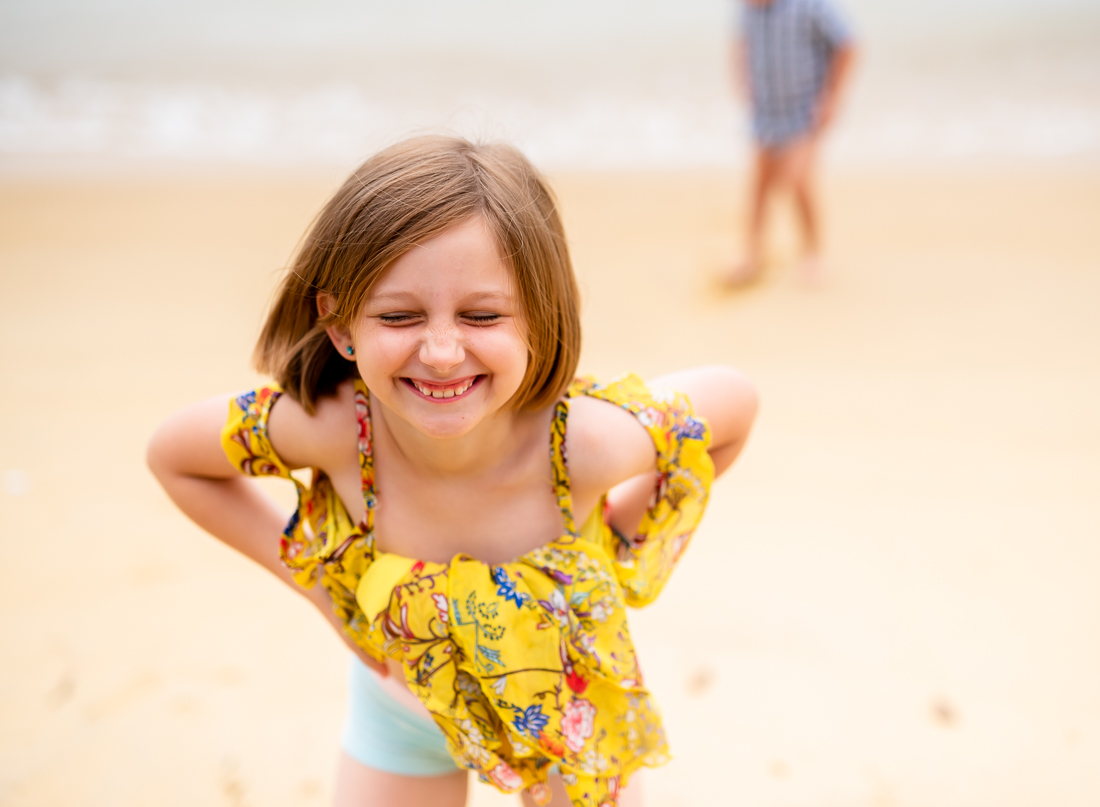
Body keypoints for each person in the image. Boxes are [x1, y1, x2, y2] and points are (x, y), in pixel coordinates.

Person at [147, 135, 758, 807]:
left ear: (539, 317)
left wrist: (617, 543)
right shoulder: (337, 431)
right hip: (399, 714)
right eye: (399, 315)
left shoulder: (584, 445)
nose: (441, 352)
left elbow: (732, 404)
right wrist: (321, 590)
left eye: (483, 314)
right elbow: (176, 457)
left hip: (566, 715)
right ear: (341, 323)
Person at [725, 0, 857, 286]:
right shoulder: (747, 9)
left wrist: (832, 98)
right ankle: (752, 253)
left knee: (798, 179)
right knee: (759, 184)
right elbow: (742, 43)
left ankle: (813, 253)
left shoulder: (810, 6)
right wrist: (741, 79)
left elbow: (848, 44)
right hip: (766, 110)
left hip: (805, 112)